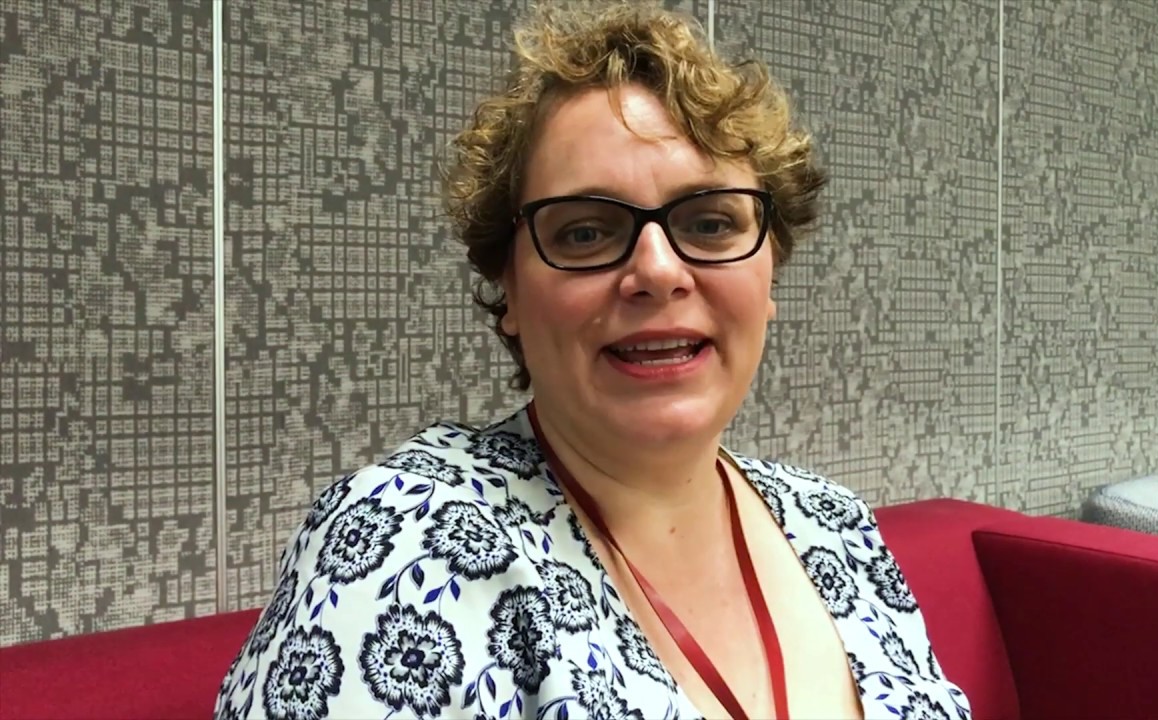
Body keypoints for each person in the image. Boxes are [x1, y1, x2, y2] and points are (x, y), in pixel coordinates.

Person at [215, 2, 971, 719]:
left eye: (710, 222)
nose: (659, 271)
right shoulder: (407, 540)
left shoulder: (834, 523)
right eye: (584, 232)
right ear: (509, 288)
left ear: (771, 266)